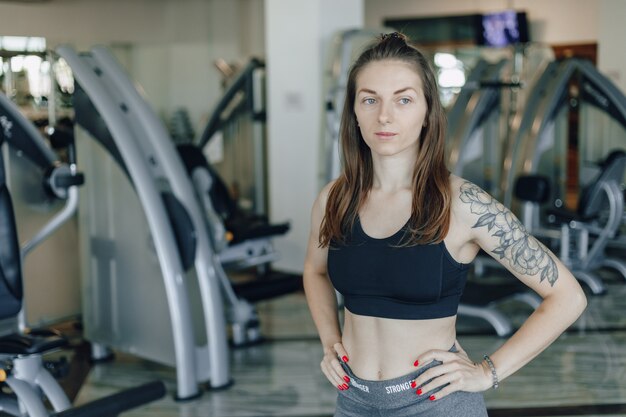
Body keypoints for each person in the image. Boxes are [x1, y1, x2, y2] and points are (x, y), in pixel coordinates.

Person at [302, 32, 587, 417]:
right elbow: (315, 271)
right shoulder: (335, 198)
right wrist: (329, 340)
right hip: (353, 401)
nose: (384, 115)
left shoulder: (463, 203)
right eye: (370, 99)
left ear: (427, 112)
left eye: (404, 99)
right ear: (354, 111)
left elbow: (567, 297)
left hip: (436, 403)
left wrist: (488, 372)